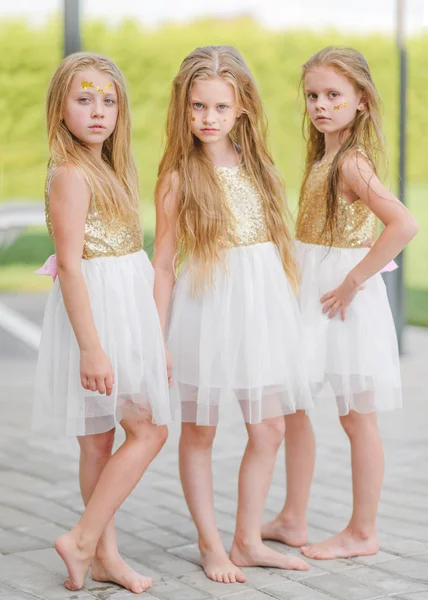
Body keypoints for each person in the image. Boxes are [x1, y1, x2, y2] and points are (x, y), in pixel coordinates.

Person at [153, 45, 312, 583]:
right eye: (198, 107)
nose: (208, 119)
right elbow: (165, 265)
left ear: (241, 106)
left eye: (220, 108)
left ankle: (247, 540)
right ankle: (211, 543)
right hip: (208, 308)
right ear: (184, 107)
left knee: (268, 427)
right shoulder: (178, 177)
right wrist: (158, 336)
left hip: (260, 308)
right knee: (200, 431)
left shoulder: (261, 168)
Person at [262, 46, 418, 560]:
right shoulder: (325, 157)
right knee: (296, 403)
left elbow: (403, 224)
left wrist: (353, 280)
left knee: (356, 415)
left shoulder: (350, 161)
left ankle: (363, 531)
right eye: (313, 95)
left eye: (334, 95)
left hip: (340, 297)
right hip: (312, 286)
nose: (321, 105)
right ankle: (292, 517)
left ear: (362, 102)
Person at [34, 52, 174, 593]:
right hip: (96, 314)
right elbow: (70, 264)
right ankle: (85, 538)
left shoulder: (109, 167)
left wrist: (153, 337)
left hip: (124, 306)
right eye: (84, 98)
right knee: (149, 428)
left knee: (98, 442)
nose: (98, 111)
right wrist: (93, 350)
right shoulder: (70, 173)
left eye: (108, 100)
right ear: (60, 107)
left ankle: (103, 557)